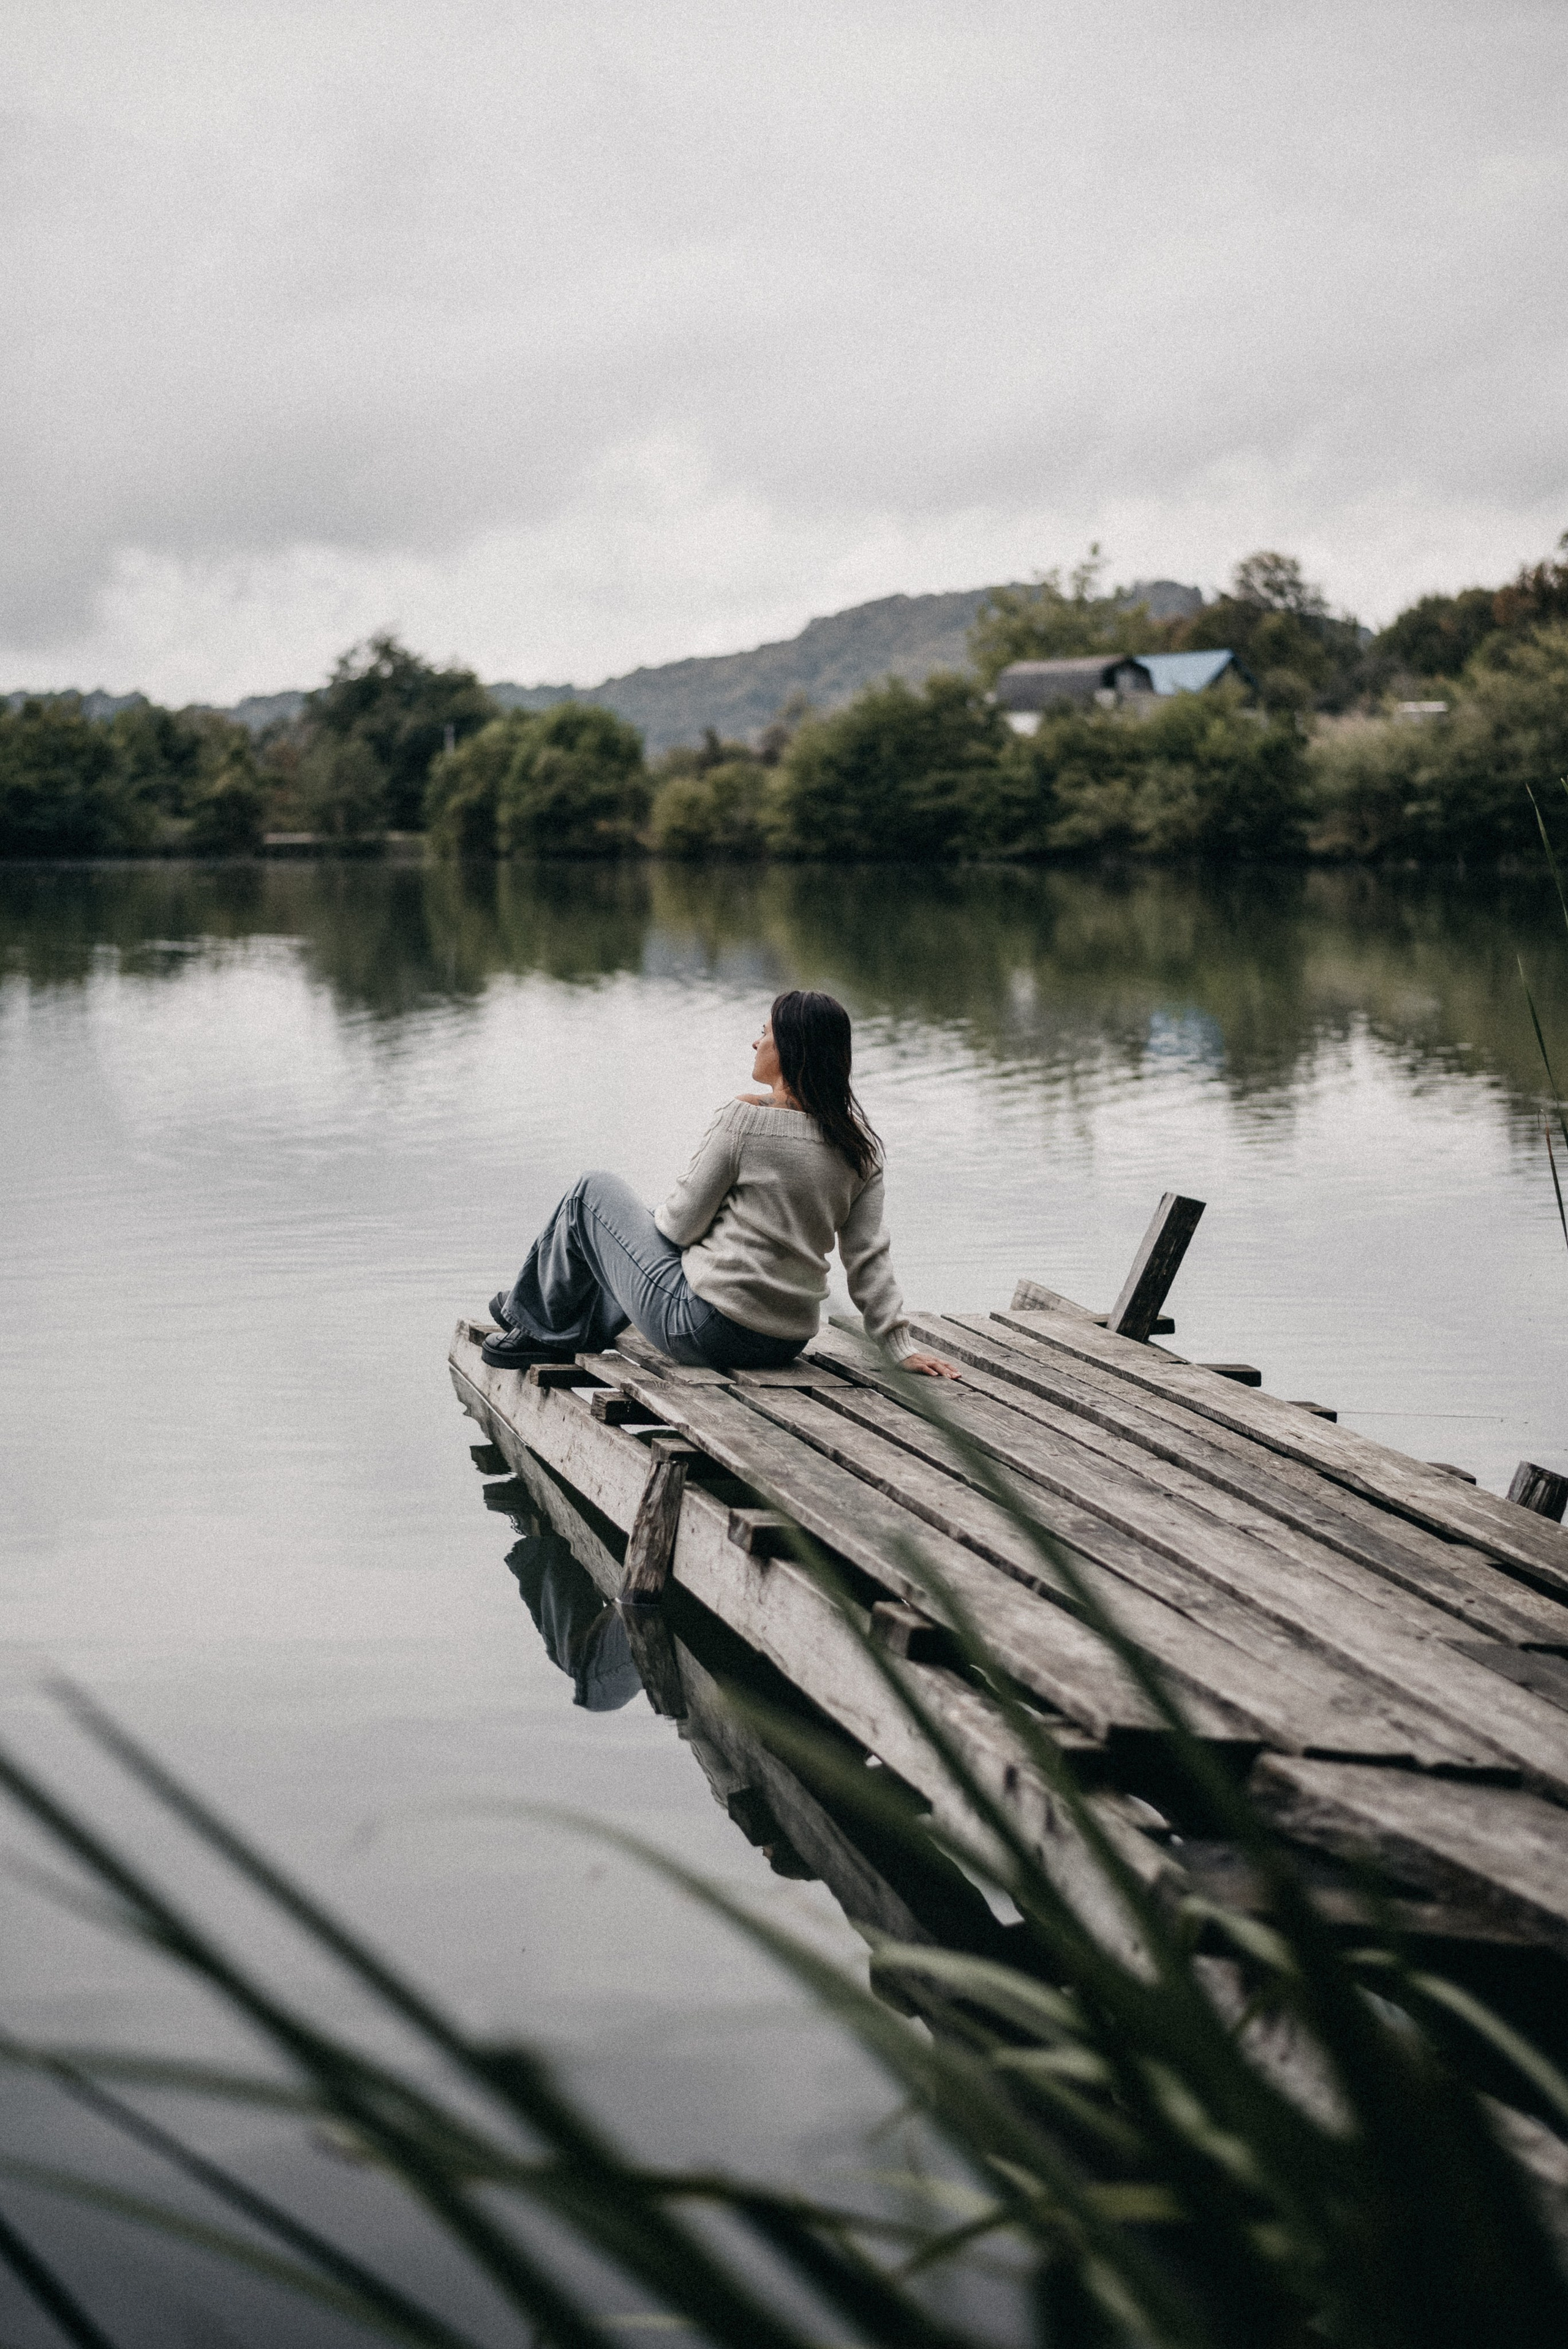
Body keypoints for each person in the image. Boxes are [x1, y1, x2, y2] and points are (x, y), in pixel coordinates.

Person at [481, 988, 959, 1379]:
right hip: (785, 1340)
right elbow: (868, 1258)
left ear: (789, 1049)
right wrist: (899, 1346)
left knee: (592, 1193)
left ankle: (535, 1325)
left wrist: (729, 1118)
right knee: (632, 1228)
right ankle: (538, 1313)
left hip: (705, 1330)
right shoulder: (860, 1148)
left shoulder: (744, 1123)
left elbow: (677, 1228)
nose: (756, 1043)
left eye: (765, 1033)